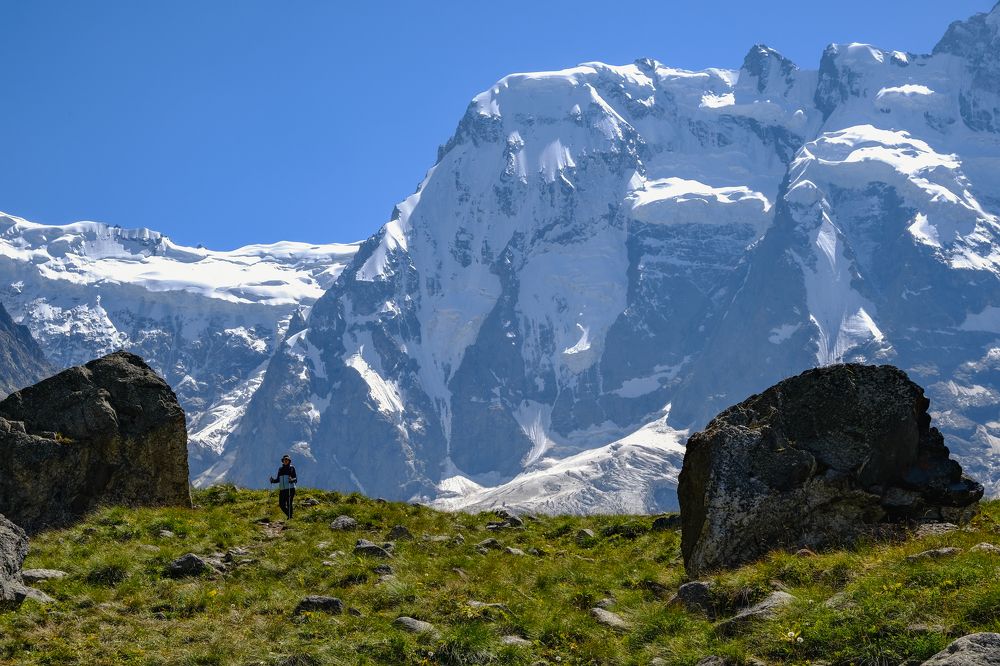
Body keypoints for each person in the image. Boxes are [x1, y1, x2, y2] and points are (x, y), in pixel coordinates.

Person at [269, 455, 298, 519]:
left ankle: (290, 517)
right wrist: (273, 481)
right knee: (281, 505)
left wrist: (291, 480)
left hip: (290, 488)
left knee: (289, 504)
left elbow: (295, 479)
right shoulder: (280, 469)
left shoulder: (291, 468)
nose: (285, 461)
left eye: (287, 460)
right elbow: (278, 479)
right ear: (282, 461)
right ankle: (290, 516)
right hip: (282, 490)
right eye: (284, 460)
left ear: (289, 461)